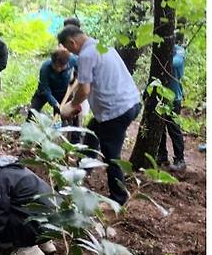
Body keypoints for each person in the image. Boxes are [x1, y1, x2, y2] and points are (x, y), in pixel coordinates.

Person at [58, 25, 141, 205]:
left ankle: (119, 198)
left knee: (111, 154)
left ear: (72, 41)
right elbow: (85, 83)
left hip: (115, 111)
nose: (71, 52)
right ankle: (82, 171)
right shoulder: (102, 46)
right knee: (92, 132)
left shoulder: (86, 55)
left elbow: (85, 90)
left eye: (69, 47)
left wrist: (71, 106)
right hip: (131, 102)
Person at [157, 34, 186, 171]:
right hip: (159, 95)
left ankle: (180, 159)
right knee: (159, 128)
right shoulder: (160, 50)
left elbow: (176, 63)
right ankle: (162, 156)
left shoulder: (179, 50)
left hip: (174, 97)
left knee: (173, 128)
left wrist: (162, 59)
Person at [28, 48, 77, 120]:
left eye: (61, 67)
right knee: (32, 112)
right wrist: (54, 103)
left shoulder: (73, 60)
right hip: (45, 92)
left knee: (69, 116)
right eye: (56, 66)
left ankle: (71, 129)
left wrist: (77, 77)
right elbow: (45, 89)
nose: (58, 69)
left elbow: (81, 68)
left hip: (64, 93)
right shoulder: (45, 68)